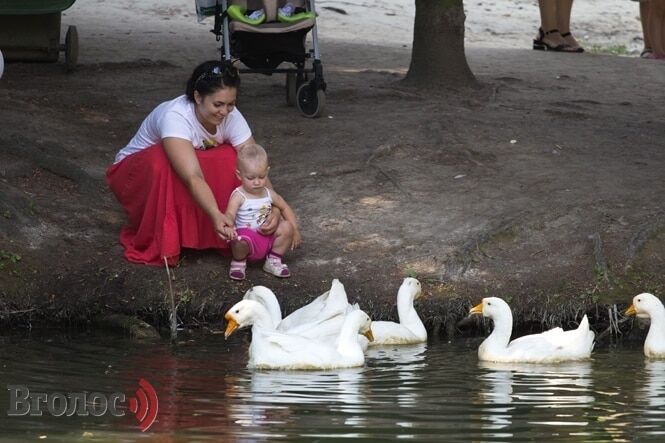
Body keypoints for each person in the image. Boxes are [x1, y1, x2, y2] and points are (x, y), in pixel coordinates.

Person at [106, 60, 281, 266]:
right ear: (198, 97)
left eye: (230, 104)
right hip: (133, 175)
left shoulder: (231, 116)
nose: (225, 112)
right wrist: (215, 214)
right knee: (162, 159)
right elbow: (192, 176)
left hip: (184, 172)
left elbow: (254, 164)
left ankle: (226, 234)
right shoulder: (176, 116)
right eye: (218, 104)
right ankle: (168, 238)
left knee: (232, 159)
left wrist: (273, 209)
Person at [224, 144, 301, 281]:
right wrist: (229, 227)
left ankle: (273, 260)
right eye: (251, 178)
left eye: (261, 176)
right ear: (239, 175)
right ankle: (238, 263)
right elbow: (230, 214)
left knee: (287, 227)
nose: (257, 182)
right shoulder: (239, 195)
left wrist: (294, 230)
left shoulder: (269, 194)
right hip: (247, 238)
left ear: (267, 171)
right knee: (239, 240)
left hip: (268, 236)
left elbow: (284, 207)